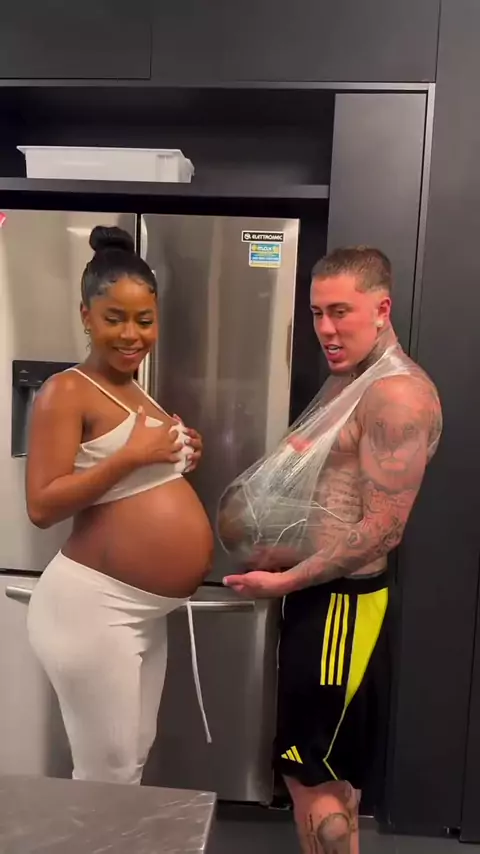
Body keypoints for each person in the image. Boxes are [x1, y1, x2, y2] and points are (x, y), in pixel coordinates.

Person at [224, 247, 442, 854]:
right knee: (330, 778)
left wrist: (283, 582)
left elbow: (383, 528)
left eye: (340, 311)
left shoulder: (398, 396)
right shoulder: (351, 380)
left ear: (382, 309)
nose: (325, 328)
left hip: (340, 610)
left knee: (311, 778)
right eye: (317, 312)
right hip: (321, 603)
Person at [26, 225, 214, 784]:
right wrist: (135, 456)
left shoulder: (136, 390)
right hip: (93, 608)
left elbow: (129, 482)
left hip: (141, 612)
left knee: (128, 764)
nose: (132, 335)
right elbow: (42, 504)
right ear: (86, 315)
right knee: (105, 776)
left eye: (144, 320)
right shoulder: (66, 390)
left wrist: (179, 456)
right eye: (115, 319)